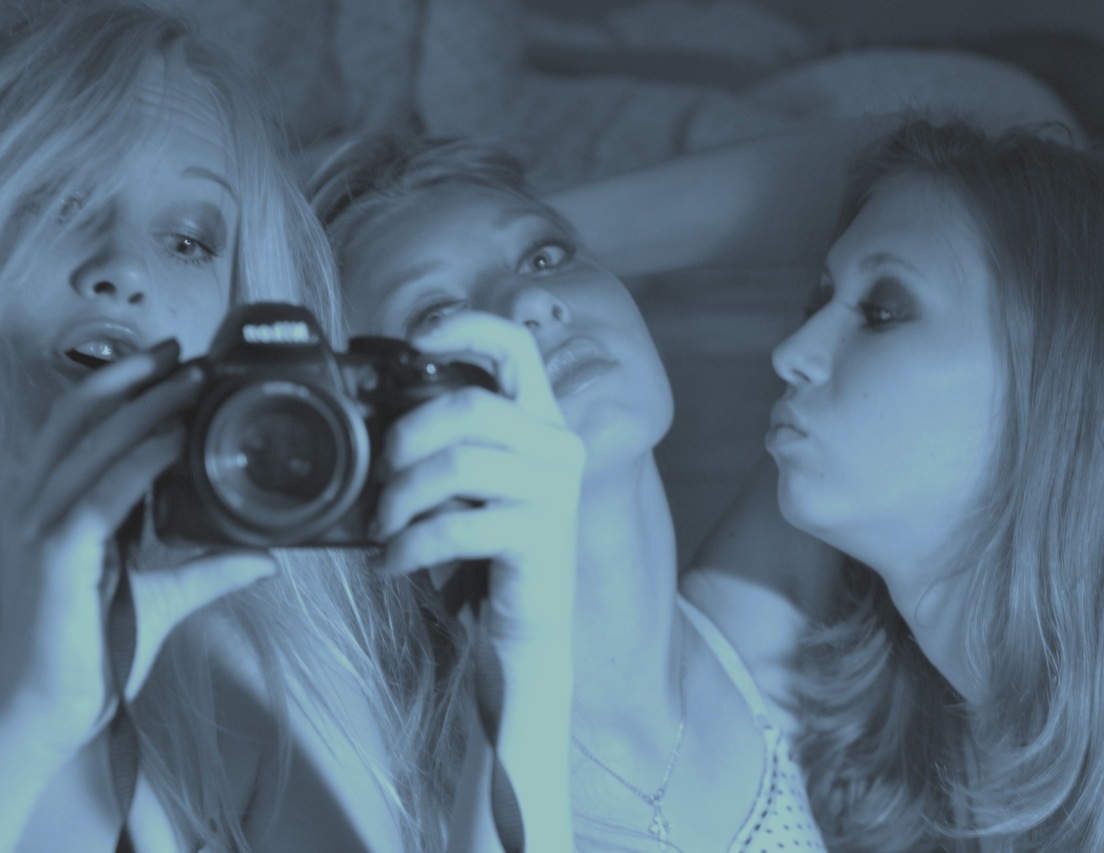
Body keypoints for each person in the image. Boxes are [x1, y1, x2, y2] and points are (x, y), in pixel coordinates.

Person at [0, 3, 575, 851]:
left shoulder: (258, 679)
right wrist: (30, 722)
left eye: (188, 240)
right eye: (56, 204)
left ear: (235, 316)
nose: (122, 268)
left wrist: (529, 659)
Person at [310, 134, 832, 851]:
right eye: (438, 317)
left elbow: (914, 193)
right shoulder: (383, 791)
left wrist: (468, 207)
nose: (532, 300)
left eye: (547, 257)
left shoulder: (764, 620)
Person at [756, 118, 1104, 851]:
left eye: (881, 313)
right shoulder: (918, 736)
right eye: (817, 303)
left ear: (1054, 368)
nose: (791, 352)